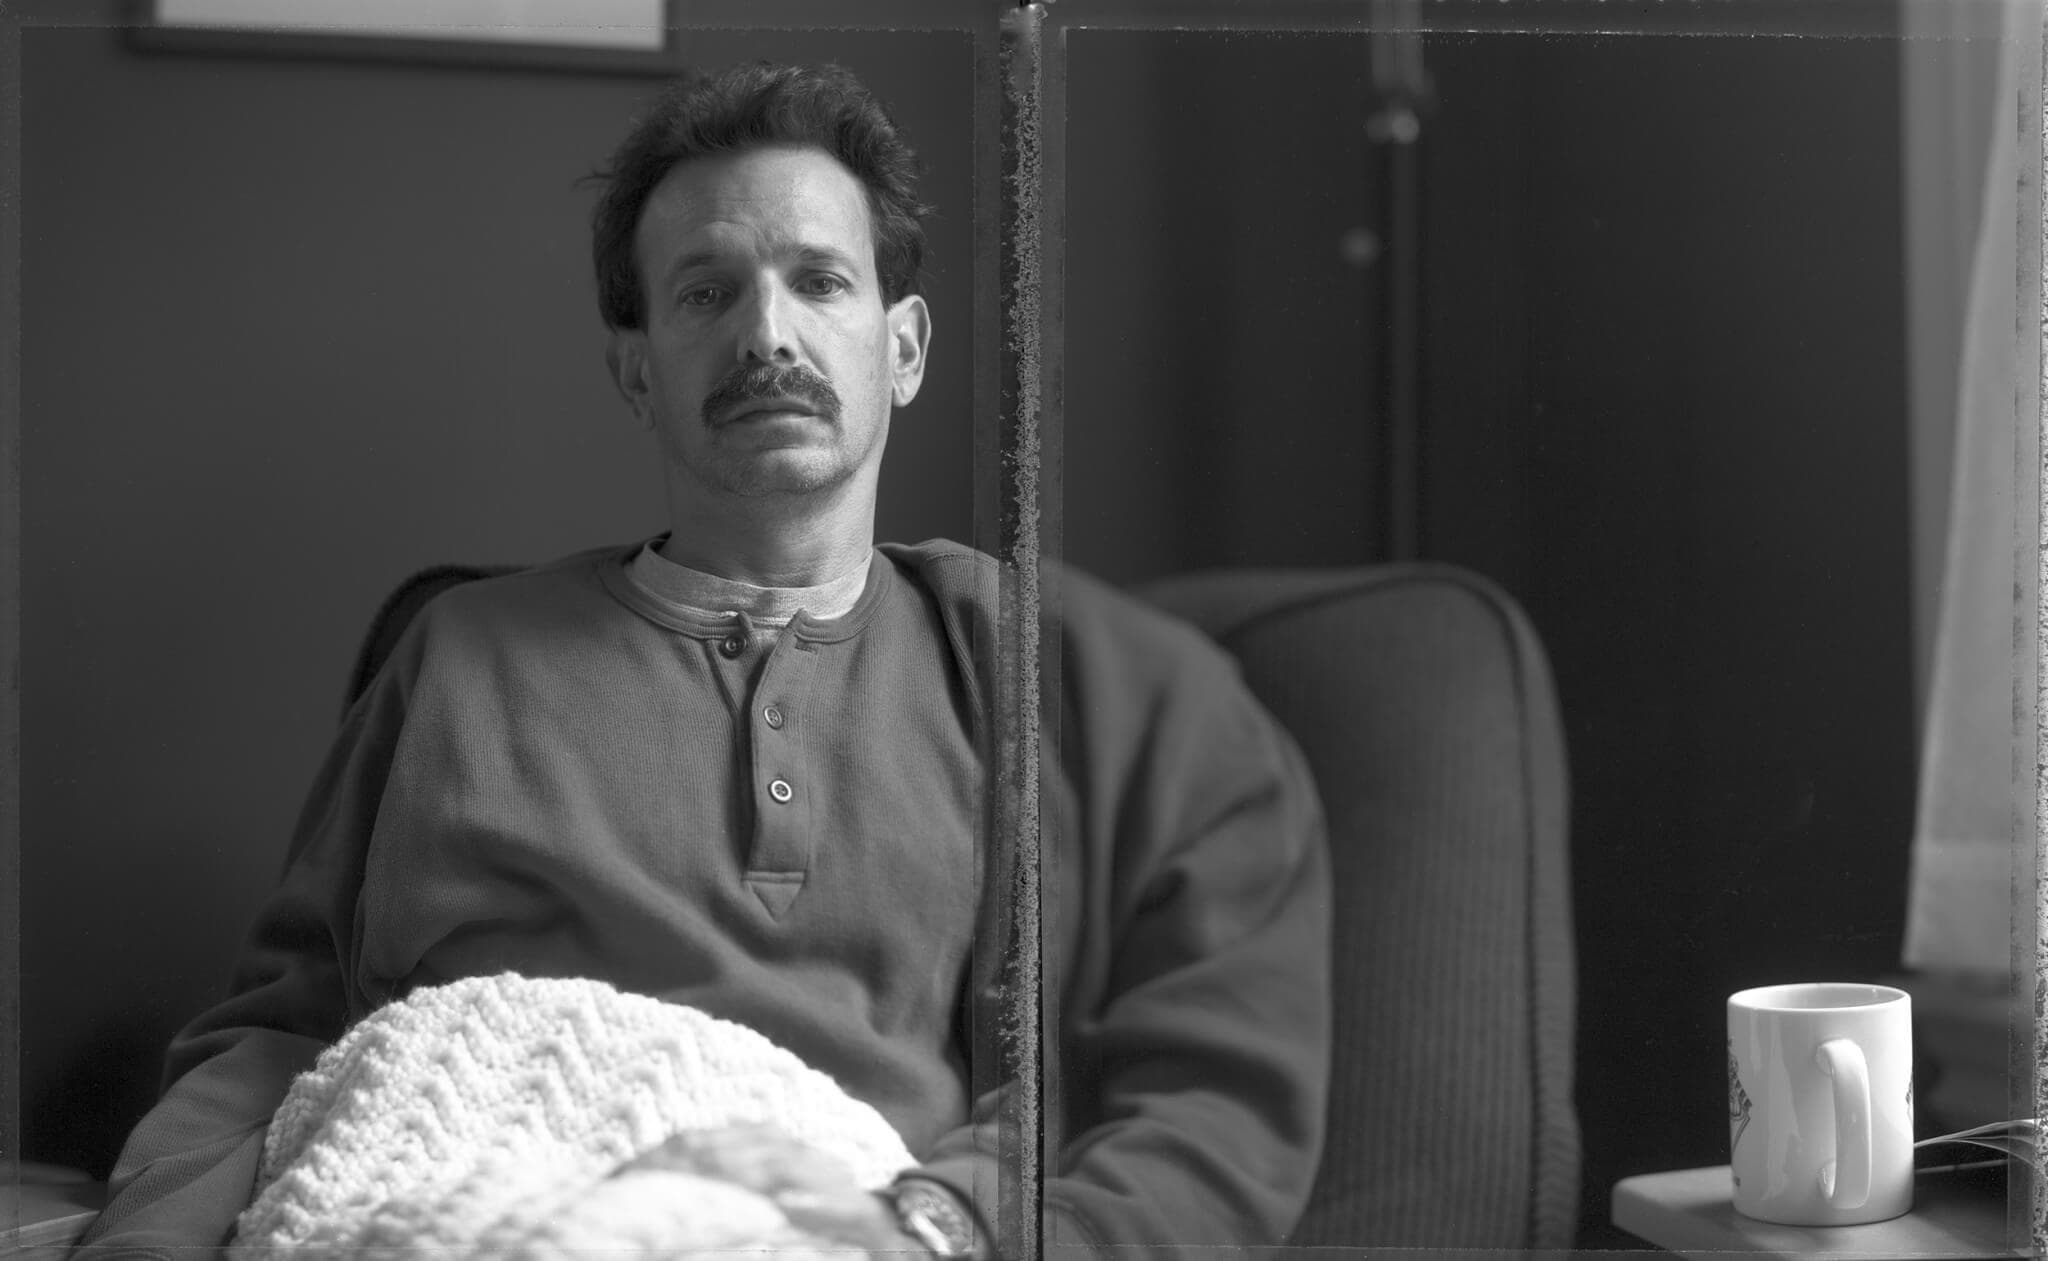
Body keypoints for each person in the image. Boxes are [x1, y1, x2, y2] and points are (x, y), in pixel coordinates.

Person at [77, 61, 1332, 1259]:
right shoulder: (459, 657)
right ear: (637, 371)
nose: (765, 334)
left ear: (902, 348)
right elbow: (278, 1039)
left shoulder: (1026, 675)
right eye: (704, 293)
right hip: (458, 1184)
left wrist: (932, 1228)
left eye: (818, 281)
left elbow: (1147, 1111)